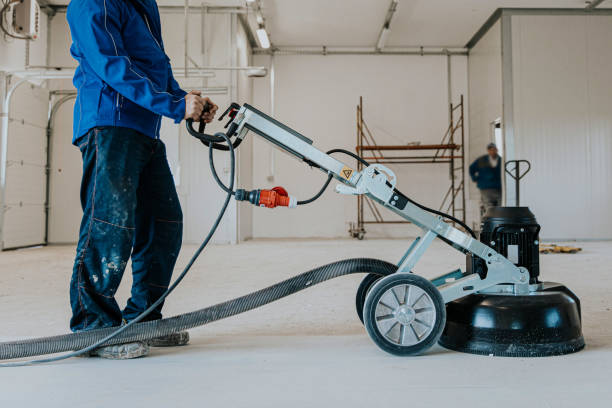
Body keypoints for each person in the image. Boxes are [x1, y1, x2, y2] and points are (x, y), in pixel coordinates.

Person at [66, 0, 218, 359]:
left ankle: (144, 317)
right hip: (110, 124)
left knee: (164, 223)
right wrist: (172, 106)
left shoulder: (141, 5)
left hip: (144, 130)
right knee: (109, 224)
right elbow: (111, 65)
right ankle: (95, 326)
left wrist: (184, 99)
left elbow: (153, 66)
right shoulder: (93, 2)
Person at [469, 143, 502, 217]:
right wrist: (475, 178)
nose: (493, 151)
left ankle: (497, 223)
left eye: (494, 149)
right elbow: (471, 168)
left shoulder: (501, 160)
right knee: (488, 208)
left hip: (498, 188)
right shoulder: (481, 160)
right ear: (488, 151)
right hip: (485, 188)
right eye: (491, 150)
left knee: (500, 207)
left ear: (497, 150)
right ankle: (490, 224)